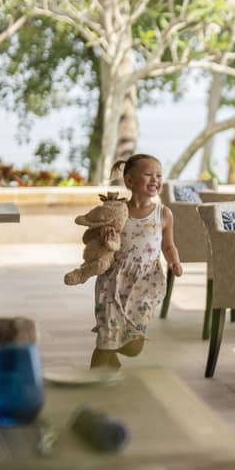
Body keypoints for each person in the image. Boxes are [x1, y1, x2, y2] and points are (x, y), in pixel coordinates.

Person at [91, 153, 182, 369]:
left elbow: (168, 246)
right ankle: (96, 379)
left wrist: (174, 262)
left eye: (159, 175)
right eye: (148, 174)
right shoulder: (117, 212)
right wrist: (104, 238)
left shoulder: (164, 214)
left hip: (145, 282)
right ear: (129, 181)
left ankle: (112, 352)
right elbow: (97, 241)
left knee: (133, 346)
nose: (155, 180)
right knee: (107, 336)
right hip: (113, 280)